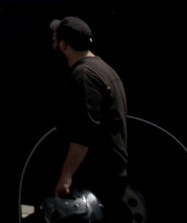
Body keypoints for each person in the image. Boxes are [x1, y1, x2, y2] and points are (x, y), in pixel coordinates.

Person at [49, 16, 132, 223]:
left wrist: (66, 176)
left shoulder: (83, 75)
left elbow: (84, 133)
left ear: (64, 45)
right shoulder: (104, 69)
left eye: (54, 41)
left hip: (97, 177)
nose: (53, 45)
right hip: (113, 172)